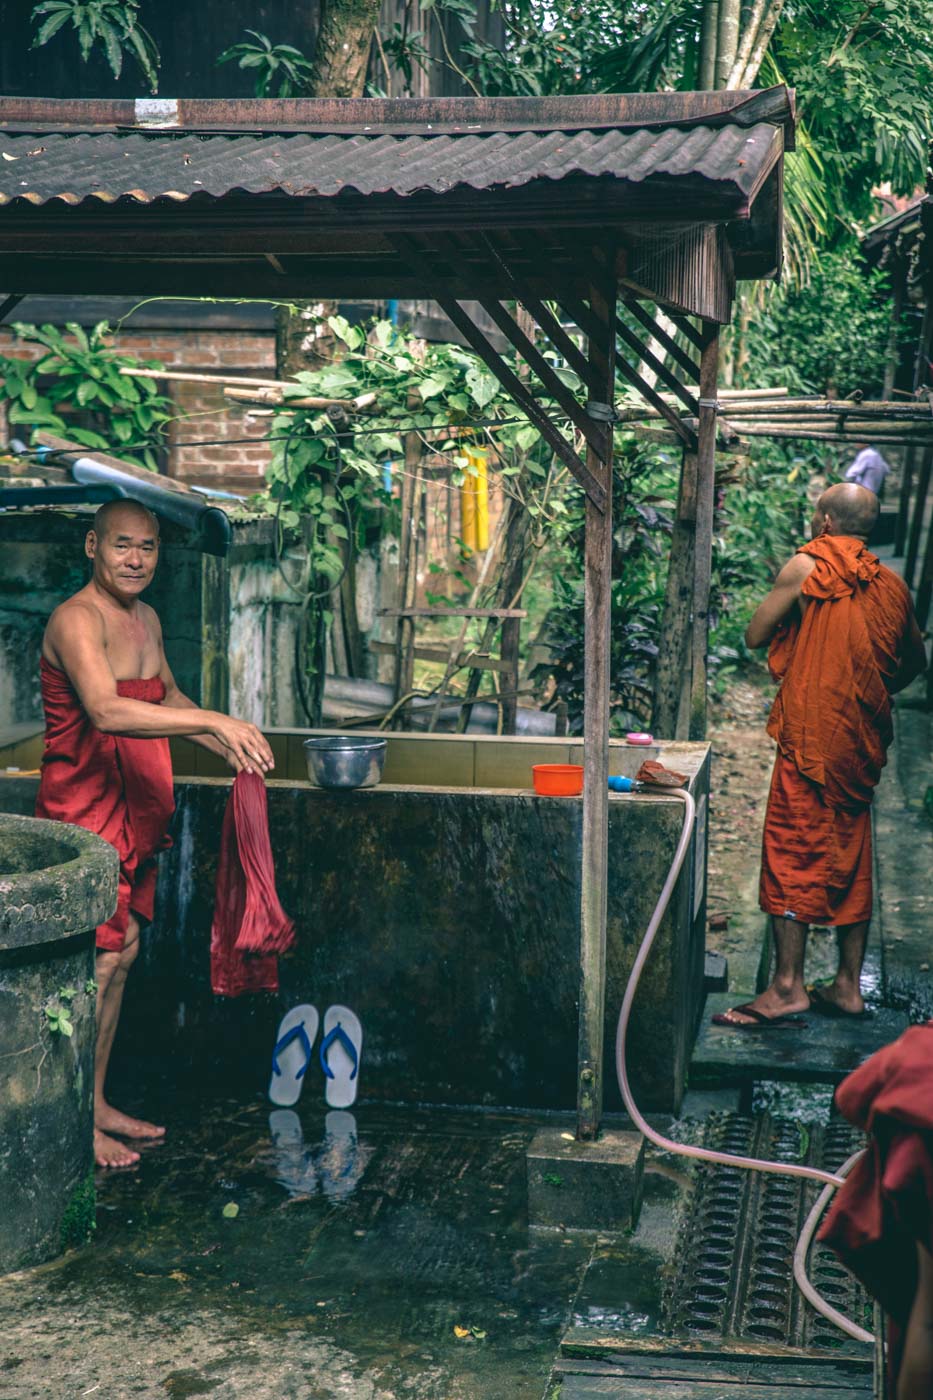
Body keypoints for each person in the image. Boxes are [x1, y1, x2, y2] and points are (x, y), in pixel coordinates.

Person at [36, 499, 276, 1168]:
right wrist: (215, 724)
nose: (136, 558)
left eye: (146, 547)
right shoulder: (75, 619)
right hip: (83, 814)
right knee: (96, 962)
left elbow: (162, 692)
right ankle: (68, 1119)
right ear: (93, 546)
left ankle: (96, 1101)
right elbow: (108, 710)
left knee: (125, 952)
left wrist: (214, 727)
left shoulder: (146, 619)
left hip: (137, 811)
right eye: (121, 546)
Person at [713, 483, 926, 1029]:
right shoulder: (894, 587)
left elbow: (756, 635)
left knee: (792, 845)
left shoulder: (808, 567)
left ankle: (786, 987)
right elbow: (911, 664)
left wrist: (811, 638)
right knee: (850, 851)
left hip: (814, 739)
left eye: (814, 515)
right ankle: (848, 987)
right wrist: (863, 685)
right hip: (858, 741)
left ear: (826, 521)